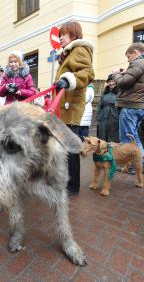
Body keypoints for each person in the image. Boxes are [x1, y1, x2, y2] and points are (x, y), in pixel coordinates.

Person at [53, 21, 94, 196]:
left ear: (74, 35)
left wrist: (68, 79)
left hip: (70, 110)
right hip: (64, 109)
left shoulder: (79, 49)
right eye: (60, 34)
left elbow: (88, 73)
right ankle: (66, 181)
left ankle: (73, 186)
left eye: (64, 34)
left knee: (71, 149)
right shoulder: (67, 54)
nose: (60, 37)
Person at [112, 42, 144, 173]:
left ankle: (132, 166)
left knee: (127, 139)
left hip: (130, 105)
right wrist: (126, 73)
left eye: (128, 56)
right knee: (134, 137)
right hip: (141, 106)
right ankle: (143, 164)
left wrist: (116, 74)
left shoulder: (139, 63)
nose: (128, 60)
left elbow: (124, 83)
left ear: (135, 52)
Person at [96, 74, 119, 142]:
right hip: (103, 117)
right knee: (102, 134)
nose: (111, 83)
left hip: (114, 117)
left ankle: (112, 152)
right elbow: (100, 105)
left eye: (113, 81)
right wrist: (99, 117)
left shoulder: (120, 93)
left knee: (113, 136)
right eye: (109, 81)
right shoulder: (104, 93)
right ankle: (103, 151)